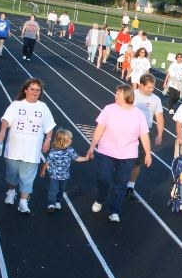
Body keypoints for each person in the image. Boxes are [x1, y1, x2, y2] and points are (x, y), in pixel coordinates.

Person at [87, 84, 151, 223]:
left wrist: (148, 153)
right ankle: (100, 199)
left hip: (127, 155)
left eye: (118, 93)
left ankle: (115, 211)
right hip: (106, 151)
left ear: (127, 95)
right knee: (103, 178)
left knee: (121, 184)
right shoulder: (109, 109)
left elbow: (144, 135)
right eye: (116, 93)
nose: (115, 95)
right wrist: (92, 146)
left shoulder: (138, 114)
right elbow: (99, 129)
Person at [0, 78, 56, 214]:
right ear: (26, 90)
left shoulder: (43, 107)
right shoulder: (16, 105)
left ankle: (23, 202)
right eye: (32, 89)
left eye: (37, 90)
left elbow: (50, 126)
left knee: (28, 177)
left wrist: (48, 139)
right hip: (14, 149)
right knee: (12, 175)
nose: (35, 92)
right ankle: (11, 192)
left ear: (40, 93)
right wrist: (3, 130)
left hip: (32, 150)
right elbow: (6, 119)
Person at [126, 74, 164, 198]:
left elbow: (159, 117)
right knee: (123, 159)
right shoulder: (131, 94)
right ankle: (120, 180)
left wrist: (160, 134)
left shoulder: (156, 99)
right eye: (148, 87)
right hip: (128, 131)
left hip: (145, 132)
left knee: (138, 162)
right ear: (141, 85)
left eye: (153, 88)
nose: (151, 90)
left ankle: (130, 186)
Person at [39, 129, 89, 212]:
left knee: (61, 189)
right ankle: (51, 204)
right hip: (54, 175)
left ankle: (58, 201)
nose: (72, 140)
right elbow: (48, 161)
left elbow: (77, 158)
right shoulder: (54, 151)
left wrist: (86, 158)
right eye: (70, 138)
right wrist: (43, 170)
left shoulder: (70, 150)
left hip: (65, 175)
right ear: (64, 140)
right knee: (53, 189)